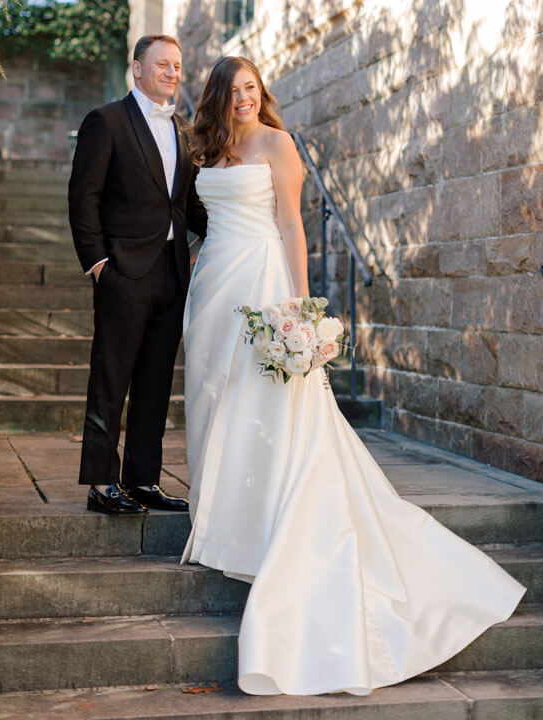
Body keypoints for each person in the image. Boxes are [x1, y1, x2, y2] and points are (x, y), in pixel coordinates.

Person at [180, 56, 525, 696]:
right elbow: (208, 224)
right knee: (211, 395)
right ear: (219, 98)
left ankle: (265, 523)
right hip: (213, 285)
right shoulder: (208, 149)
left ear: (263, 94)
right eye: (234, 92)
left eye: (253, 90)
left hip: (261, 281)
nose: (245, 100)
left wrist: (302, 309)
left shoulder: (279, 144)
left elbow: (290, 224)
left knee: (266, 402)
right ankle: (219, 518)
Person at [69, 35, 206, 515]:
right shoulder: (104, 121)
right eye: (162, 64)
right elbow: (83, 196)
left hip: (171, 273)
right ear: (137, 69)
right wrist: (99, 263)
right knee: (111, 376)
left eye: (177, 66)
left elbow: (186, 204)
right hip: (124, 271)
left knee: (155, 382)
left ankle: (144, 480)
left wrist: (235, 233)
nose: (172, 73)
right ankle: (102, 483)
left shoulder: (183, 130)